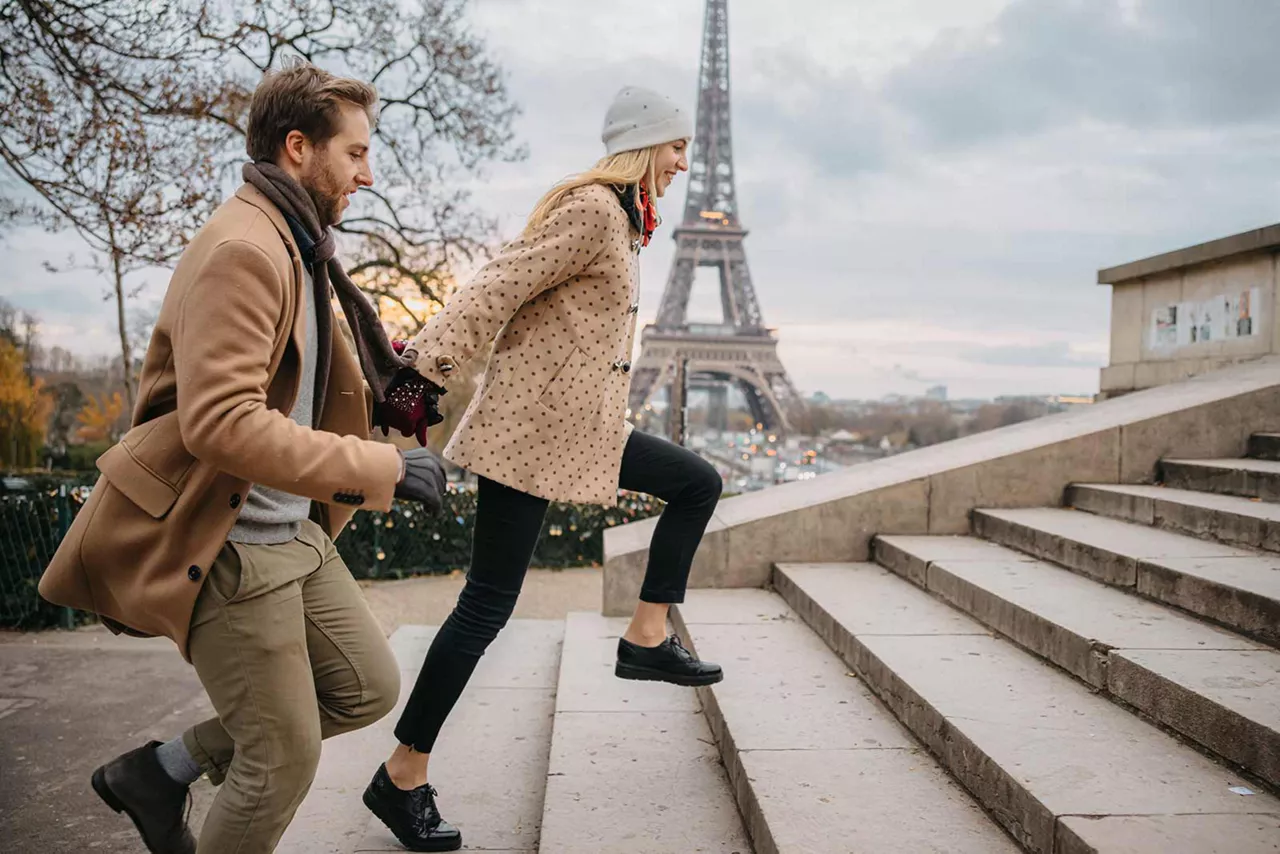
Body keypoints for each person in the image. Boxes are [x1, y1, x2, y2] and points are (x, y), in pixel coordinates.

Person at [38, 61, 448, 854]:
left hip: (286, 526)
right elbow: (221, 424)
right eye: (355, 153)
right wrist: (384, 469)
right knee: (279, 759)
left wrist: (384, 401)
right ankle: (164, 777)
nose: (367, 174)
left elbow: (293, 390)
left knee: (364, 686)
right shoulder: (246, 250)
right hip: (229, 539)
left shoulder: (296, 242)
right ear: (298, 147)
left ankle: (161, 771)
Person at [361, 85, 725, 852]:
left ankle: (647, 634)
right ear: (643, 143)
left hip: (581, 430)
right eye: (676, 146)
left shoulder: (625, 222)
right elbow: (496, 286)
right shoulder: (593, 211)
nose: (684, 163)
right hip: (529, 434)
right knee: (485, 608)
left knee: (697, 483)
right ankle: (402, 773)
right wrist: (419, 375)